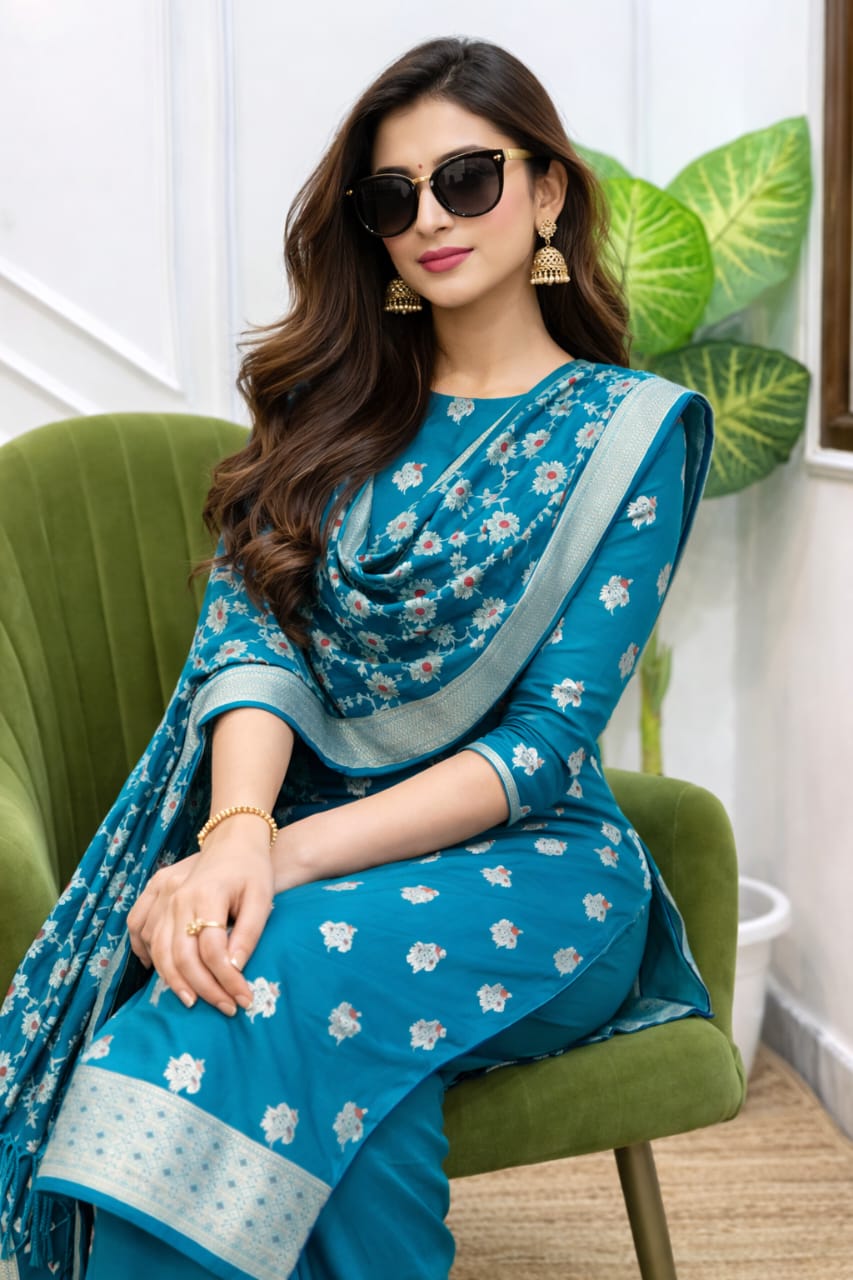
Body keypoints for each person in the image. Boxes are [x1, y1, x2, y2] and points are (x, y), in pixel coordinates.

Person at [0, 35, 715, 1280]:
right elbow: (252, 648)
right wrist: (235, 832)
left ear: (547, 191)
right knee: (311, 1050)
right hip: (306, 850)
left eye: (468, 179)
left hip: (537, 875)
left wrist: (276, 859)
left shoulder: (630, 434)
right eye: (394, 196)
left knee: (246, 973)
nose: (431, 217)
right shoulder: (326, 414)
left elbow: (543, 746)